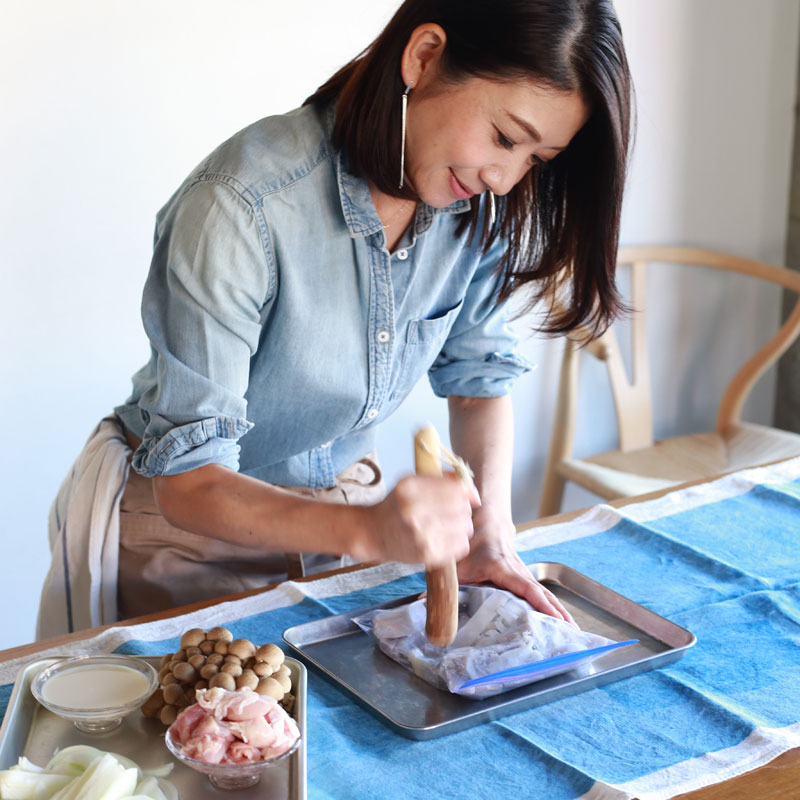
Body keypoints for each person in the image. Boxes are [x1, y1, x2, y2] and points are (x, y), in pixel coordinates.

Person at [38, 0, 632, 636]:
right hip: (186, 545)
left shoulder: (472, 205)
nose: (505, 178)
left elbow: (479, 382)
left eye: (536, 160)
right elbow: (191, 483)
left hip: (347, 532)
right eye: (506, 138)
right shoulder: (239, 205)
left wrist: (489, 536)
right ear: (424, 57)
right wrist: (371, 529)